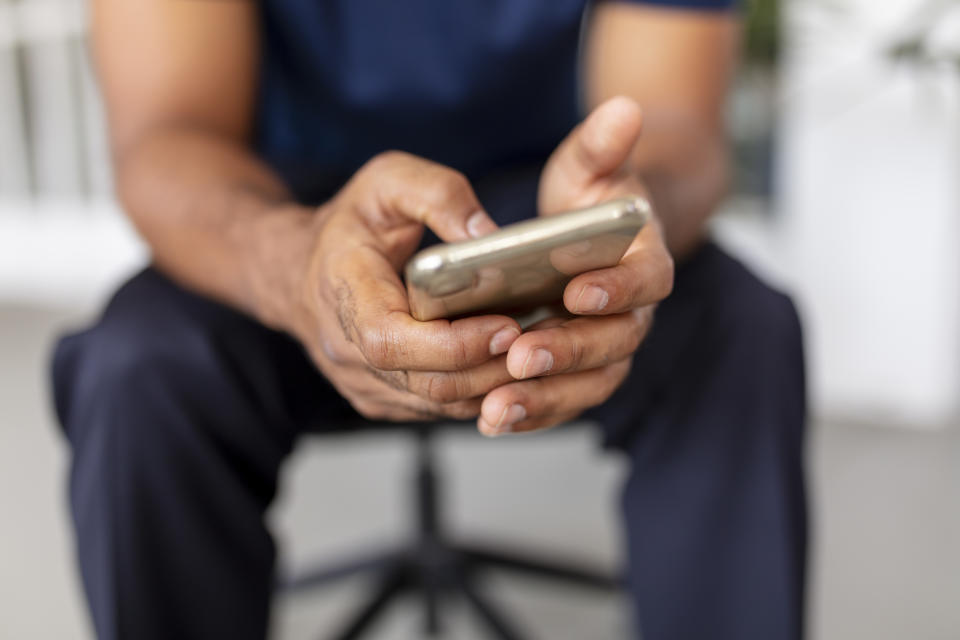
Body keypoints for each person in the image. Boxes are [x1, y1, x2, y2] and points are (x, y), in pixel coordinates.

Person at [51, 0, 806, 638]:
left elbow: (678, 126)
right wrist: (297, 264)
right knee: (138, 367)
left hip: (538, 214)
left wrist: (624, 213)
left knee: (744, 331)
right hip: (286, 217)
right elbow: (166, 136)